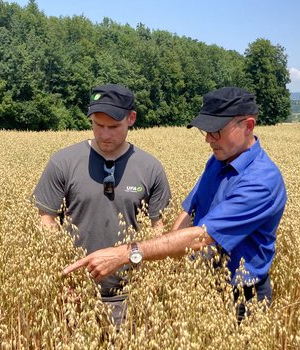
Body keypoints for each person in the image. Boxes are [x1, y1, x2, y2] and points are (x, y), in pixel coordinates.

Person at [62, 86, 287, 320]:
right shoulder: (221, 158)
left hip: (241, 300)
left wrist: (126, 254)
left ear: (248, 126)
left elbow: (200, 236)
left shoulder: (261, 182)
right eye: (205, 131)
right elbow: (189, 211)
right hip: (201, 289)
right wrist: (166, 266)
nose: (209, 139)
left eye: (216, 131)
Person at [32, 83, 171, 327]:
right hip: (75, 295)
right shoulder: (63, 162)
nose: (105, 135)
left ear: (131, 118)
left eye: (114, 127)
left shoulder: (150, 168)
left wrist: (148, 282)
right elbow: (47, 222)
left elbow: (159, 229)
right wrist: (63, 279)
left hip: (131, 296)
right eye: (98, 125)